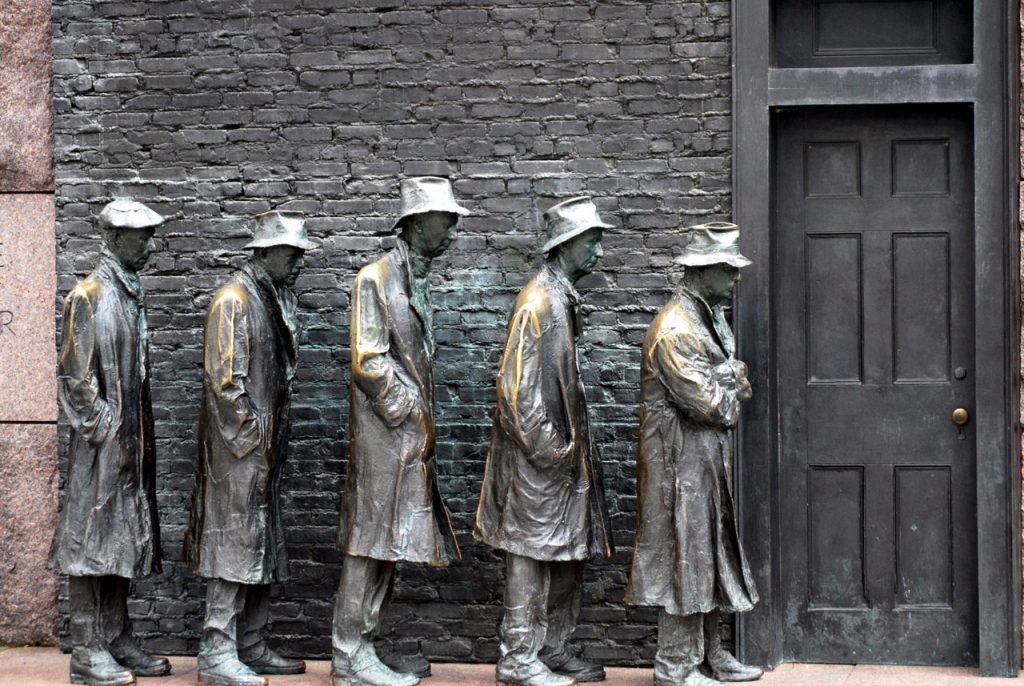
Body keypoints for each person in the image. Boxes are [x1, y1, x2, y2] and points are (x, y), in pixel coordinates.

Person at [332, 177, 468, 686]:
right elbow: (368, 361)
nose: (453, 230)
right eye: (446, 219)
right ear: (415, 224)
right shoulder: (375, 278)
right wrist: (408, 407)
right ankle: (349, 656)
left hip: (405, 441)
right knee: (370, 544)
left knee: (389, 544)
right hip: (384, 440)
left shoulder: (415, 279)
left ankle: (366, 646)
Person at [475, 196, 615, 686]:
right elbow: (514, 388)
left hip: (562, 462)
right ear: (569, 244)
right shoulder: (539, 301)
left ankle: (552, 649)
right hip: (540, 463)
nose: (599, 253)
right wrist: (550, 448)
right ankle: (518, 658)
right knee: (530, 556)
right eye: (593, 242)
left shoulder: (561, 297)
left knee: (567, 555)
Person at [626, 222, 763, 686]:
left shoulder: (709, 314)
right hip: (677, 468)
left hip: (704, 464)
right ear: (702, 272)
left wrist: (728, 379)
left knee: (710, 557)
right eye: (728, 270)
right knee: (685, 559)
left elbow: (732, 385)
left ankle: (710, 654)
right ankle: (675, 664)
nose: (736, 279)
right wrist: (730, 382)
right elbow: (714, 406)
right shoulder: (676, 329)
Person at [184, 211, 317, 686]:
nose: (299, 259)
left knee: (260, 545)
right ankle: (216, 650)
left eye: (300, 252)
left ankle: (252, 642)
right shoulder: (233, 300)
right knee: (232, 546)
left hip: (261, 451)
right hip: (238, 454)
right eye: (291, 251)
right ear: (263, 252)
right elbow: (225, 383)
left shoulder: (271, 297)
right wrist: (253, 438)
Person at [52, 199, 171, 686]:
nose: (149, 245)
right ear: (114, 238)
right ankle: (87, 648)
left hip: (129, 443)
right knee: (88, 541)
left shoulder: (130, 292)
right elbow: (75, 378)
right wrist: (106, 427)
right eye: (140, 237)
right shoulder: (88, 295)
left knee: (123, 537)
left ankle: (117, 636)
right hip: (101, 447)